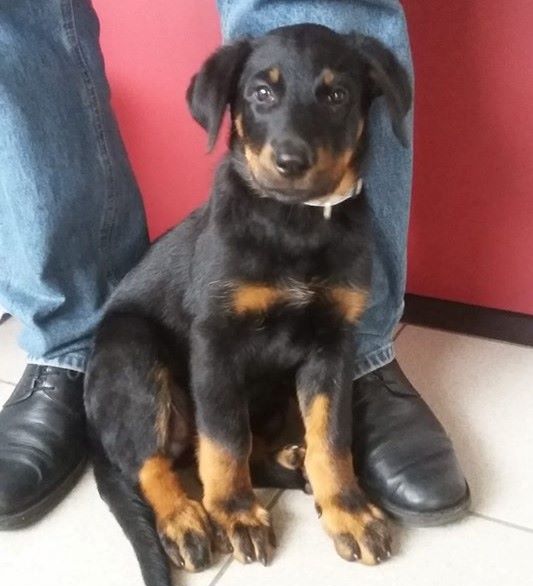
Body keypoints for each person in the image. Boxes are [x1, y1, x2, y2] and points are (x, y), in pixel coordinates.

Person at [0, 0, 469, 531]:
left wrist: (338, 481)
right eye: (263, 94)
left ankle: (341, 395)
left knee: (328, 340)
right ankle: (104, 405)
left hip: (247, 373)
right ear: (231, 109)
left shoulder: (350, 233)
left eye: (336, 95)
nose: (292, 148)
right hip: (152, 350)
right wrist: (222, 481)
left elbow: (325, 345)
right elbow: (213, 341)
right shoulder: (229, 240)